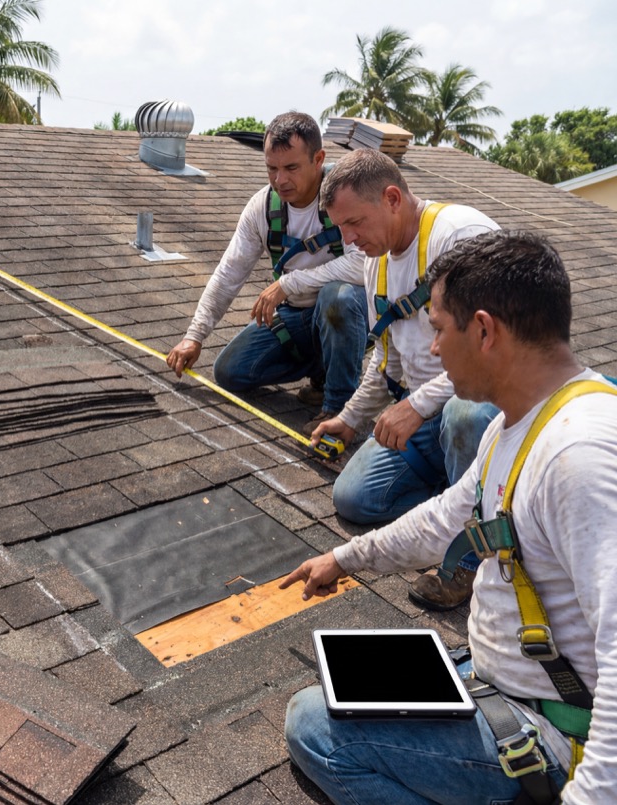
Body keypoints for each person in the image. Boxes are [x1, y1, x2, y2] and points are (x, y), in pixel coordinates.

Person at [281, 230, 617, 804]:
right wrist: (344, 557)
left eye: (438, 330)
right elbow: (445, 519)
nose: (432, 351)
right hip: (507, 684)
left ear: (484, 330)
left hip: (555, 731)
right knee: (348, 683)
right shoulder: (521, 422)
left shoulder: (577, 457)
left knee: (316, 728)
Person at [309, 148, 498, 610]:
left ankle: (473, 559)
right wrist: (350, 418)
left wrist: (416, 406)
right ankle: (469, 497)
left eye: (355, 223)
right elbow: (386, 358)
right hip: (426, 418)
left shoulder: (460, 236)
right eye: (341, 230)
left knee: (464, 414)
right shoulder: (377, 261)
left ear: (393, 197)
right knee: (354, 500)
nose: (349, 241)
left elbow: (494, 355)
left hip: (482, 408)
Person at [166, 112, 367, 428]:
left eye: (291, 168)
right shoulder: (263, 207)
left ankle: (339, 410)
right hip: (297, 318)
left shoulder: (346, 196)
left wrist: (289, 282)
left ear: (319, 159)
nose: (280, 180)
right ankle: (324, 367)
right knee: (230, 372)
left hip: (348, 313)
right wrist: (195, 336)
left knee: (337, 298)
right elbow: (229, 273)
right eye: (271, 168)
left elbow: (364, 265)